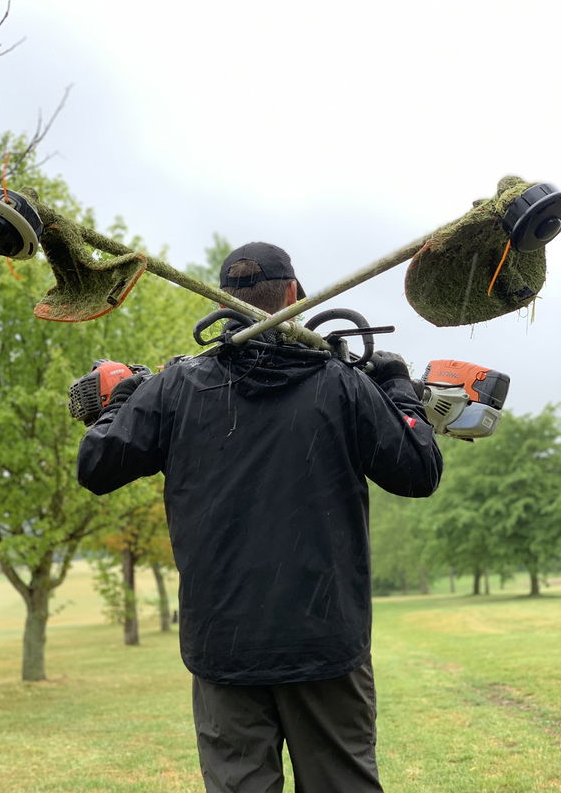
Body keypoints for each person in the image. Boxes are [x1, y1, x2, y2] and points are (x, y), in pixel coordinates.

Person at [77, 241, 443, 793]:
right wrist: (397, 390)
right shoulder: (343, 384)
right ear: (294, 295)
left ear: (224, 301)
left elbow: (96, 462)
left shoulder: (175, 388)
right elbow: (419, 468)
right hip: (325, 646)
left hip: (224, 648)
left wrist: (130, 397)